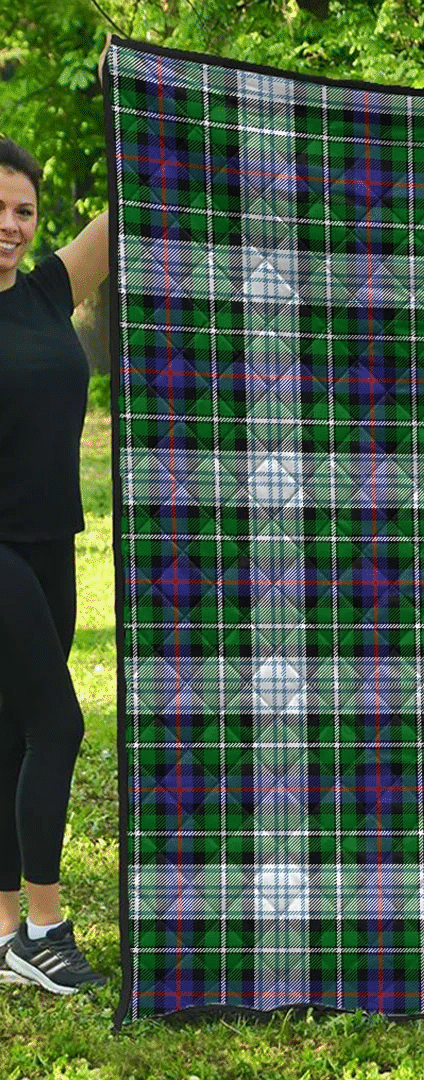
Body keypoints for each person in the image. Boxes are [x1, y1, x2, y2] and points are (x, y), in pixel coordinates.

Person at [0, 136, 109, 992]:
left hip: (51, 543)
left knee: (10, 732)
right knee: (59, 724)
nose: (10, 224)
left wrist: (144, 91)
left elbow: (133, 208)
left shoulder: (44, 292)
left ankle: (4, 933)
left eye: (23, 210)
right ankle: (44, 928)